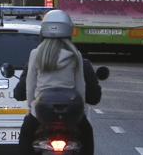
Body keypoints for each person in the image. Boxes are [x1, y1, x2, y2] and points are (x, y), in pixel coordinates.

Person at [15, 10, 98, 155]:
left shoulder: (36, 53)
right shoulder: (75, 55)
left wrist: (32, 108)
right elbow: (80, 86)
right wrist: (81, 110)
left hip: (42, 110)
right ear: (68, 30)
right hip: (71, 111)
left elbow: (30, 86)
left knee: (26, 134)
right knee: (87, 132)